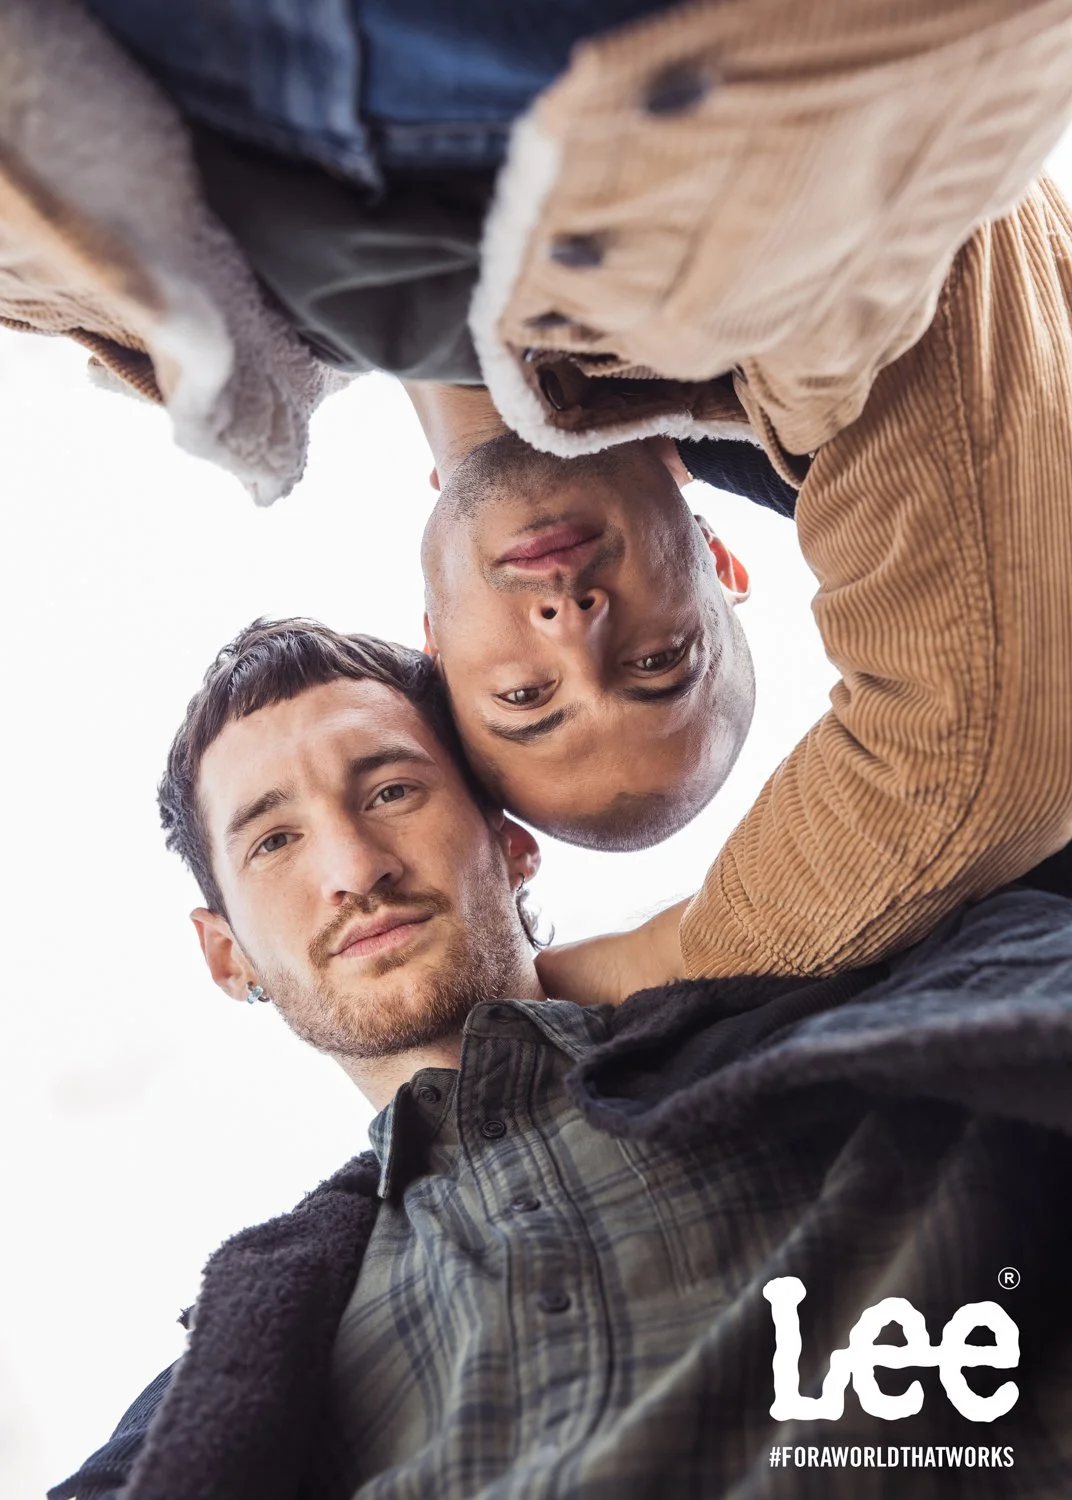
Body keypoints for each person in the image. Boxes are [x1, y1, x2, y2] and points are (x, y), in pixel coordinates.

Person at [50, 616, 1072, 1500]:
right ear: (227, 956)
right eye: (274, 841)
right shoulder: (249, 1372)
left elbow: (1008, 673)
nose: (354, 867)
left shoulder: (827, 1011)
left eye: (392, 790)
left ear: (513, 842)